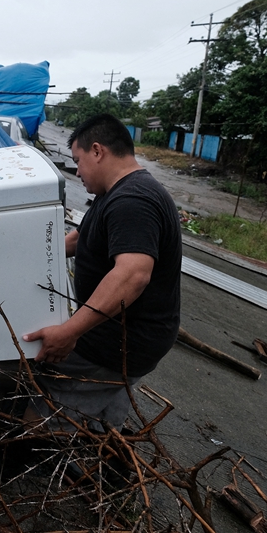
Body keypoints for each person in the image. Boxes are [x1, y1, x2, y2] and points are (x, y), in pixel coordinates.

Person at [23, 113, 182, 435]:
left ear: (98, 151)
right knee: (106, 394)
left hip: (122, 339)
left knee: (55, 385)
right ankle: (110, 451)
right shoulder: (115, 193)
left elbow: (133, 274)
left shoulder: (133, 200)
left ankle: (21, 452)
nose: (77, 171)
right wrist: (22, 255)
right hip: (132, 337)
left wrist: (70, 331)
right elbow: (81, 240)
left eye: (78, 161)